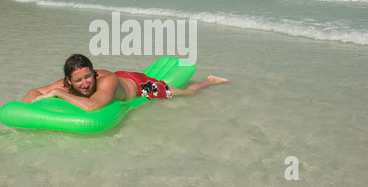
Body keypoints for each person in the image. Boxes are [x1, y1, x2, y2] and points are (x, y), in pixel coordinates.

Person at [22, 54, 229, 111]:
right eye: (79, 80)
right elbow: (32, 93)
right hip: (120, 78)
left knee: (185, 94)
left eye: (88, 77)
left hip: (140, 85)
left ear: (94, 73)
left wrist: (58, 93)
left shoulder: (105, 80)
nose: (85, 83)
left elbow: (93, 106)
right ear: (69, 80)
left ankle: (209, 81)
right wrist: (34, 102)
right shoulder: (68, 82)